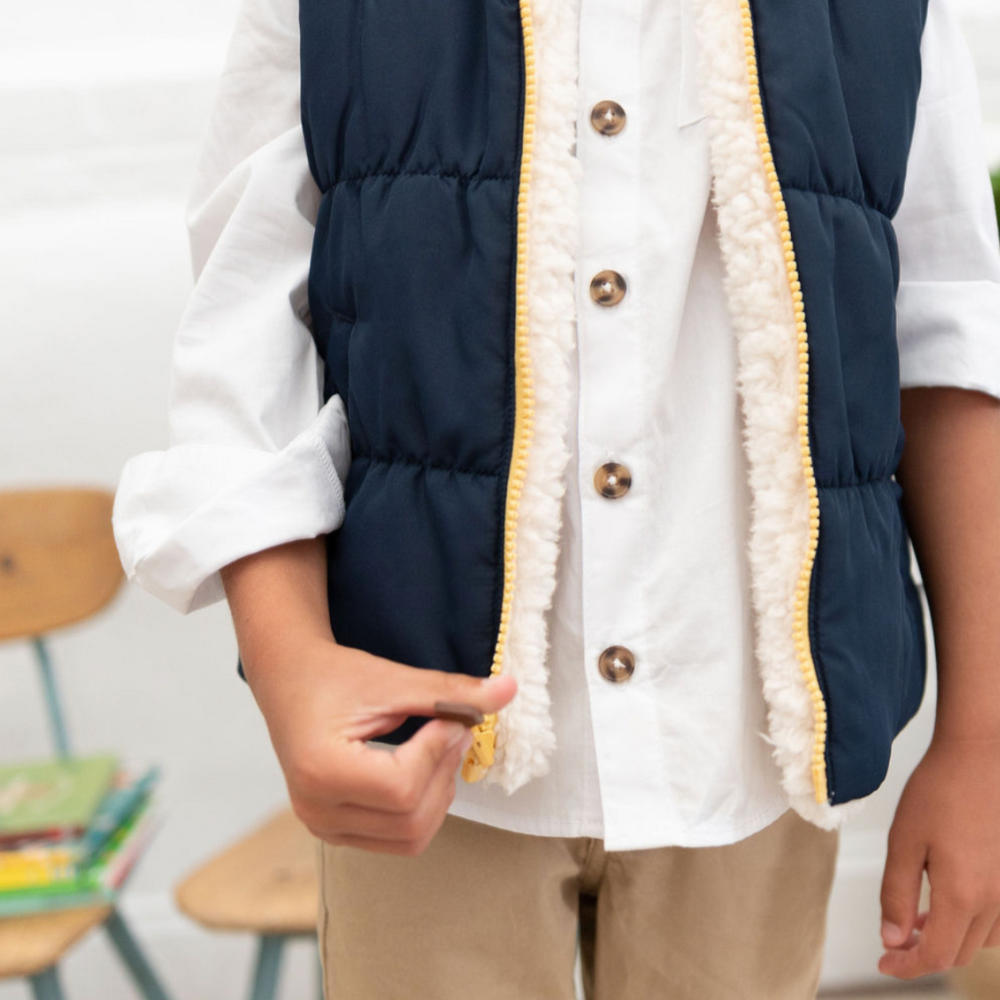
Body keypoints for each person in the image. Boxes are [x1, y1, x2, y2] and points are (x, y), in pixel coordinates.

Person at [112, 0, 1000, 994]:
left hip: (750, 753)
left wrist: (980, 736)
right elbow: (245, 331)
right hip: (428, 751)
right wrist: (292, 672)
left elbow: (944, 335)